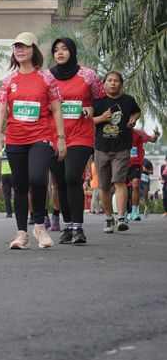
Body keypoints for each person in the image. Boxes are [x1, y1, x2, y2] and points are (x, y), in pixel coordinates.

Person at [0, 32, 66, 250]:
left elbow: (57, 109)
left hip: (41, 136)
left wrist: (61, 138)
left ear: (34, 49)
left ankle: (39, 226)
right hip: (15, 138)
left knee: (38, 178)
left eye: (24, 46)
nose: (20, 50)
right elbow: (1, 109)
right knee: (20, 185)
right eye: (17, 47)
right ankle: (21, 233)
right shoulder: (9, 80)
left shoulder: (46, 78)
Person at [48, 37, 106, 245]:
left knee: (72, 177)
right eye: (56, 49)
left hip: (80, 134)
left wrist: (92, 108)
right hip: (53, 135)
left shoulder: (88, 75)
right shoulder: (46, 77)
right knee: (61, 182)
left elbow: (102, 100)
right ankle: (68, 226)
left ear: (72, 51)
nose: (60, 52)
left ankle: (78, 228)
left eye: (64, 49)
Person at [92, 71, 141, 233]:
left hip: (122, 148)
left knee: (119, 182)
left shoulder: (128, 100)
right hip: (101, 149)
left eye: (116, 81)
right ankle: (108, 218)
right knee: (104, 186)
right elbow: (88, 121)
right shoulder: (98, 102)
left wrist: (134, 119)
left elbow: (137, 111)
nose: (113, 83)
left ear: (121, 84)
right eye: (110, 80)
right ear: (104, 83)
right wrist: (101, 118)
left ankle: (120, 217)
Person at [126, 127, 160, 220]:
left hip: (135, 163)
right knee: (125, 189)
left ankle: (134, 211)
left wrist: (155, 136)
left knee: (136, 185)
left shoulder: (138, 133)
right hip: (122, 162)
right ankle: (124, 212)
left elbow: (151, 139)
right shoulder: (119, 132)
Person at [0, 148, 13, 217]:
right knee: (18, 193)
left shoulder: (1, 152)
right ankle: (19, 211)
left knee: (7, 195)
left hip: (4, 174)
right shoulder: (13, 149)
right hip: (12, 174)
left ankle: (9, 213)